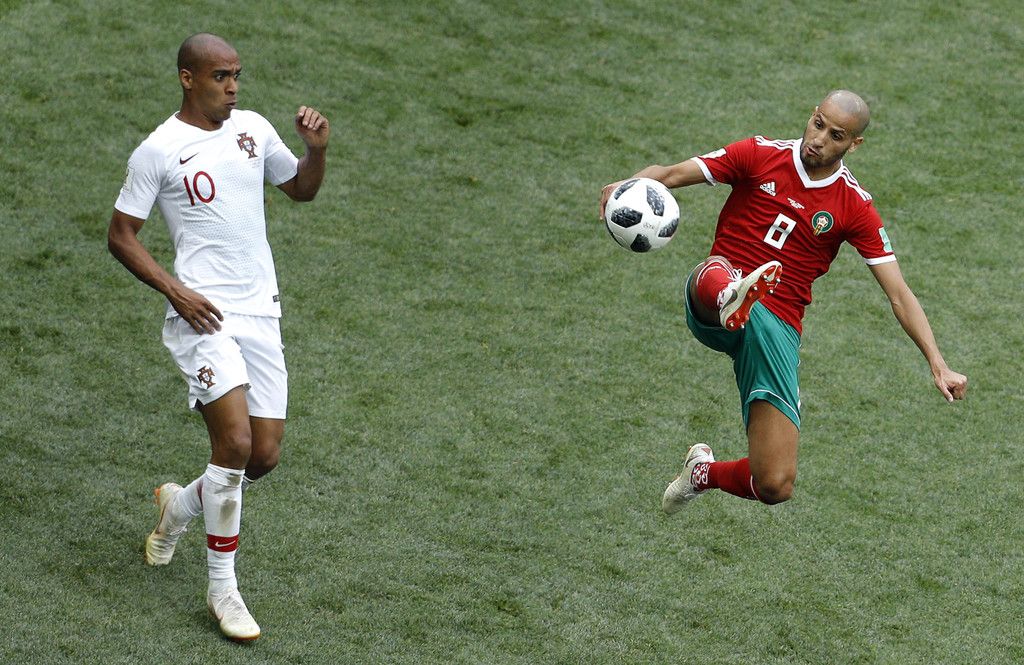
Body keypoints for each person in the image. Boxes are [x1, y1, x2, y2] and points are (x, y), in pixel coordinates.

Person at [599, 90, 967, 512]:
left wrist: (938, 363)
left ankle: (700, 474)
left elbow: (899, 293)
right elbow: (668, 174)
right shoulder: (758, 154)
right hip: (713, 294)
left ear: (854, 144)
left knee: (775, 483)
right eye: (818, 124)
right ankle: (733, 295)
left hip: (777, 329)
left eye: (835, 135)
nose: (819, 139)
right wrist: (626, 187)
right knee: (718, 273)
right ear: (812, 116)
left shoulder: (854, 206)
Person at [108, 33, 329, 641]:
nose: (232, 88)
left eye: (236, 76)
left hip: (261, 312)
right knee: (233, 442)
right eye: (220, 77)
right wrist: (175, 291)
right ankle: (223, 590)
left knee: (263, 455)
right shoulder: (158, 150)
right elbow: (121, 235)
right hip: (201, 314)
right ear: (188, 78)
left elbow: (301, 189)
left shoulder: (252, 128)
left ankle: (178, 506)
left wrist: (315, 152)